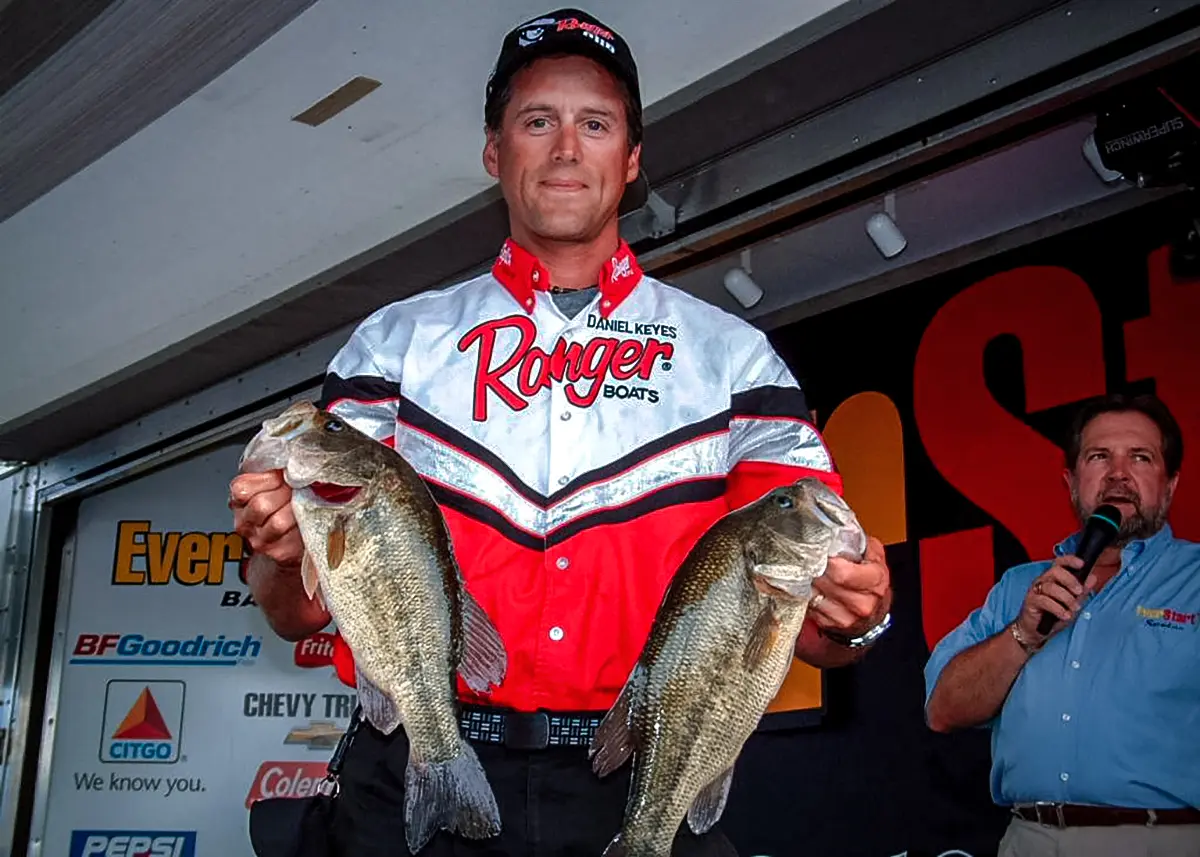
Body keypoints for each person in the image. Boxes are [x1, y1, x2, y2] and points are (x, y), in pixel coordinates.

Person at [231, 9, 893, 856]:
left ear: (632, 159)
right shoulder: (392, 344)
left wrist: (857, 613)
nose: (567, 148)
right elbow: (296, 616)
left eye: (596, 124)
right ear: (493, 150)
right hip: (412, 766)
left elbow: (812, 625)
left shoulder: (735, 360)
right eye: (537, 121)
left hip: (639, 772)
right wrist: (281, 558)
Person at [924, 392, 1200, 857]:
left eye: (1140, 457)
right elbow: (943, 710)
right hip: (1028, 838)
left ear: (1170, 484)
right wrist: (1023, 637)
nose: (1117, 473)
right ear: (1072, 482)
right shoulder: (1018, 588)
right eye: (1099, 457)